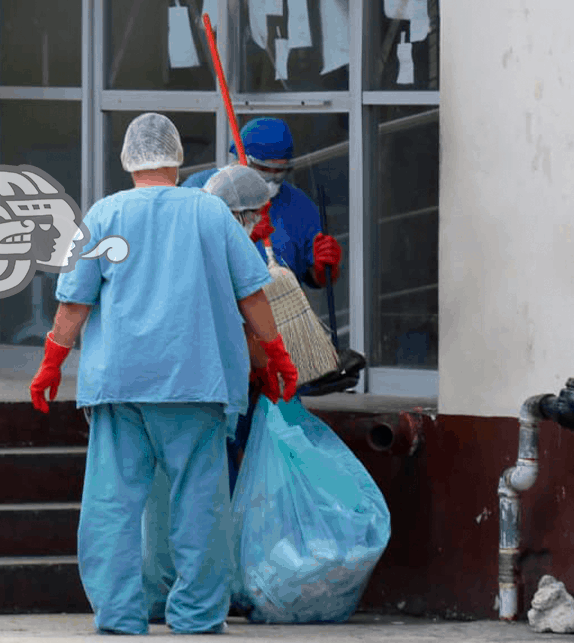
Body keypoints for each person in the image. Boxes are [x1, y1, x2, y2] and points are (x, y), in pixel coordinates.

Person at [28, 113, 299, 635]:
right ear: (176, 159)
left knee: (113, 506)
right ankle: (195, 617)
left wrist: (50, 367)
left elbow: (73, 307)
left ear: (129, 160)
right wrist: (276, 357)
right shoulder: (211, 214)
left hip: (118, 387)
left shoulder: (104, 215)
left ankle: (119, 615)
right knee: (200, 507)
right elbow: (253, 296)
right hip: (195, 383)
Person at [142, 164, 298, 624]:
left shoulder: (177, 243)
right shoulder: (223, 247)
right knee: (203, 502)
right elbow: (246, 311)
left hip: (162, 387)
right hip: (203, 389)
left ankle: (158, 595)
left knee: (162, 500)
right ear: (241, 213)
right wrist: (273, 361)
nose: (255, 224)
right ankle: (202, 599)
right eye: (252, 215)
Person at [181, 117, 343, 289]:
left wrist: (323, 271)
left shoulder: (299, 207)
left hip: (276, 309)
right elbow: (181, 259)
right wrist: (243, 238)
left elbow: (315, 277)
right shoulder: (198, 191)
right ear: (240, 160)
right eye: (263, 169)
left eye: (279, 171)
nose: (272, 179)